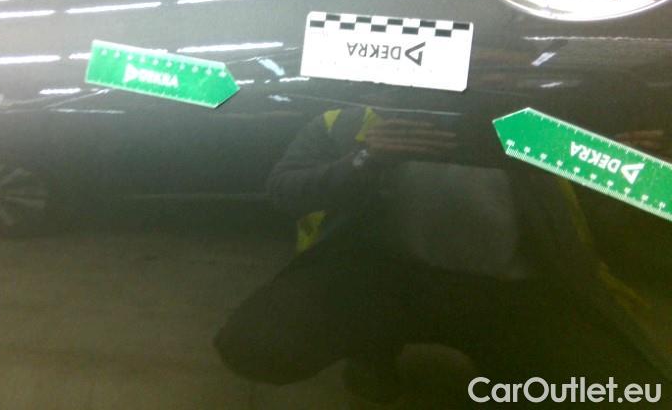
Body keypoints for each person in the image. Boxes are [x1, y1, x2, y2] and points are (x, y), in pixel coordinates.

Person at [214, 105, 671, 406]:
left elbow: (629, 229)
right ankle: (371, 355)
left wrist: (630, 171)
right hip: (383, 283)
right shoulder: (354, 120)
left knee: (627, 393)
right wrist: (365, 159)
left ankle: (510, 379)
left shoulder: (545, 126)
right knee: (256, 344)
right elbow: (284, 190)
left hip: (510, 295)